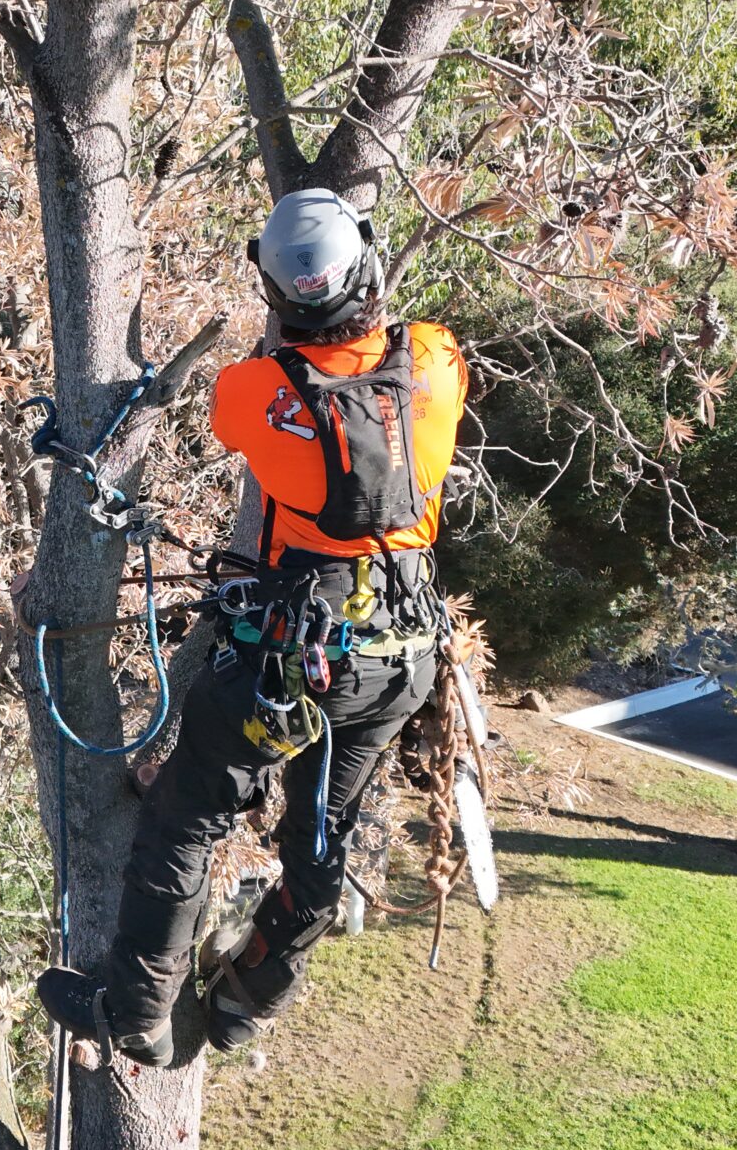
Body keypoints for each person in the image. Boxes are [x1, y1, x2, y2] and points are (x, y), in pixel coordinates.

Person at [37, 188, 470, 1066]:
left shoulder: (251, 392)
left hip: (292, 658)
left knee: (186, 814)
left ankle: (137, 1013)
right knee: (320, 831)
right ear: (371, 267)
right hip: (403, 652)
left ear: (276, 297)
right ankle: (249, 999)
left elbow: (245, 418)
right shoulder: (436, 356)